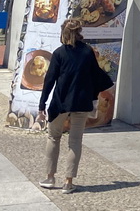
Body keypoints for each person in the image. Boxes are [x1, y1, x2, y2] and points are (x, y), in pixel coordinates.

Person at [37, 18, 114, 194]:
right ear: (80, 32)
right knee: (75, 141)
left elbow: (49, 80)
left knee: (53, 137)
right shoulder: (88, 52)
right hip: (81, 102)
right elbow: (97, 75)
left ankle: (50, 177)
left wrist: (42, 104)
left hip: (61, 102)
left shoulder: (59, 53)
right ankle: (68, 182)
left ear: (63, 32)